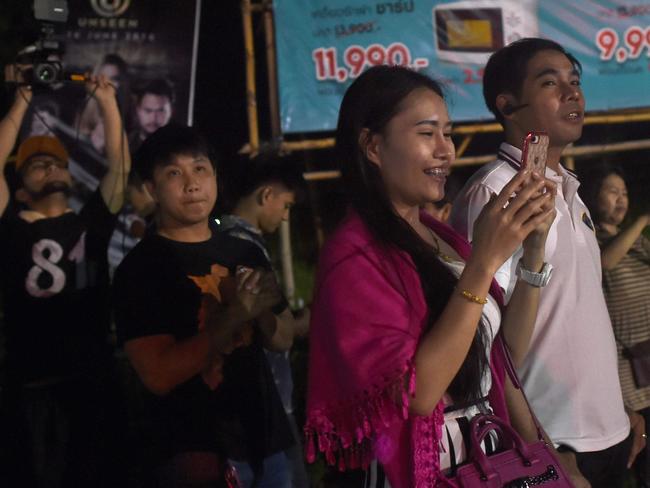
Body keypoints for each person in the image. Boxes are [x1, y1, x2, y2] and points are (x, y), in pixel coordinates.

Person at [304, 65, 586, 487]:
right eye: (426, 133)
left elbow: (502, 357)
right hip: (429, 467)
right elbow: (417, 394)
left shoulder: (440, 238)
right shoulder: (354, 257)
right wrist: (482, 265)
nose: (445, 151)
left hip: (490, 455)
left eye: (448, 133)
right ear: (373, 146)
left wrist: (531, 251)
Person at [450, 37, 641, 487]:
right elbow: (483, 343)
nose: (573, 93)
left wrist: (618, 408)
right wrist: (539, 445)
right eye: (551, 83)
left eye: (575, 81)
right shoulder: (493, 194)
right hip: (552, 443)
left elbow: (581, 316)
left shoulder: (569, 189)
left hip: (610, 435)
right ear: (508, 104)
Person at [112, 125, 295, 487]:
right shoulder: (141, 269)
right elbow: (158, 375)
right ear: (151, 189)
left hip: (266, 441)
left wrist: (259, 311)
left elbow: (283, 337)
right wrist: (235, 315)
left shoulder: (242, 250)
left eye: (200, 169)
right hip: (195, 453)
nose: (192, 184)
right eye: (173, 174)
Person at [0, 65, 131, 486]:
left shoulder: (91, 221)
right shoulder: (10, 226)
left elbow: (120, 171)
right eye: (36, 166)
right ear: (19, 189)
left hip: (92, 380)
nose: (50, 169)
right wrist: (22, 98)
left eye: (56, 163)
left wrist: (108, 103)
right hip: (32, 387)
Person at [217, 155, 309, 487]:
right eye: (285, 206)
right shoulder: (244, 247)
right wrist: (303, 325)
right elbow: (276, 332)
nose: (285, 217)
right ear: (266, 195)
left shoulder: (221, 235)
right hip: (265, 404)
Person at [580, 162, 650, 487]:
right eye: (612, 192)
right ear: (593, 198)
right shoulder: (591, 244)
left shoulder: (639, 244)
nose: (621, 199)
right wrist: (644, 220)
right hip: (625, 374)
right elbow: (606, 261)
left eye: (624, 192)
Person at [129, 78, 174, 152]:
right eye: (148, 111)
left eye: (160, 111)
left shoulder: (183, 148)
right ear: (138, 111)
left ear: (171, 111)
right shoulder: (124, 145)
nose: (154, 118)